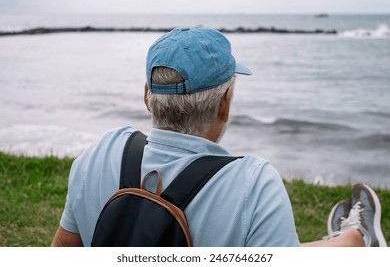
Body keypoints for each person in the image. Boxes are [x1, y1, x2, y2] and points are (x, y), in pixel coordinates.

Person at [51, 26, 386, 247]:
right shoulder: (253, 186)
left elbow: (64, 249)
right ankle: (357, 238)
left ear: (146, 96)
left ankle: (354, 237)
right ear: (225, 104)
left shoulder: (99, 154)